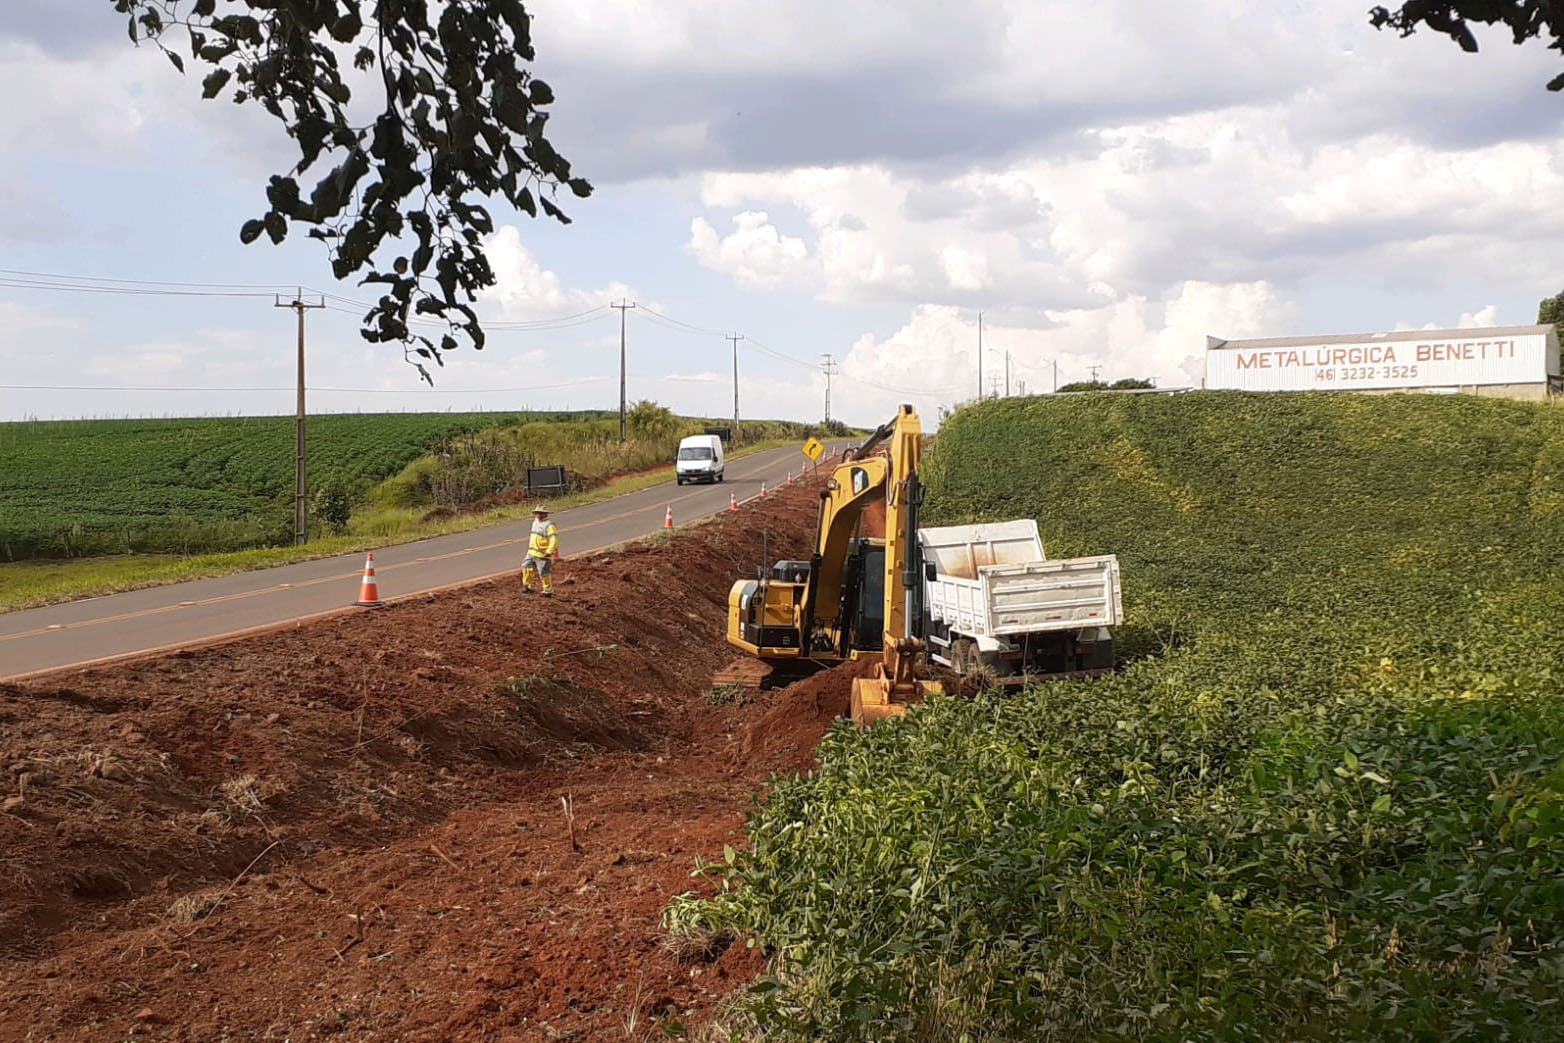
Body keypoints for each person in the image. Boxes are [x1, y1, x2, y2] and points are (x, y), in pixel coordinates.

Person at [520, 505, 559, 596]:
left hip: (543, 554)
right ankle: (528, 586)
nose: (537, 515)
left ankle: (547, 590)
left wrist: (549, 551)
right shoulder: (535, 522)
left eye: (540, 513)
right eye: (536, 513)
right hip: (532, 552)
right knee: (526, 567)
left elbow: (554, 540)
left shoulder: (549, 525)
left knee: (543, 572)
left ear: (544, 514)